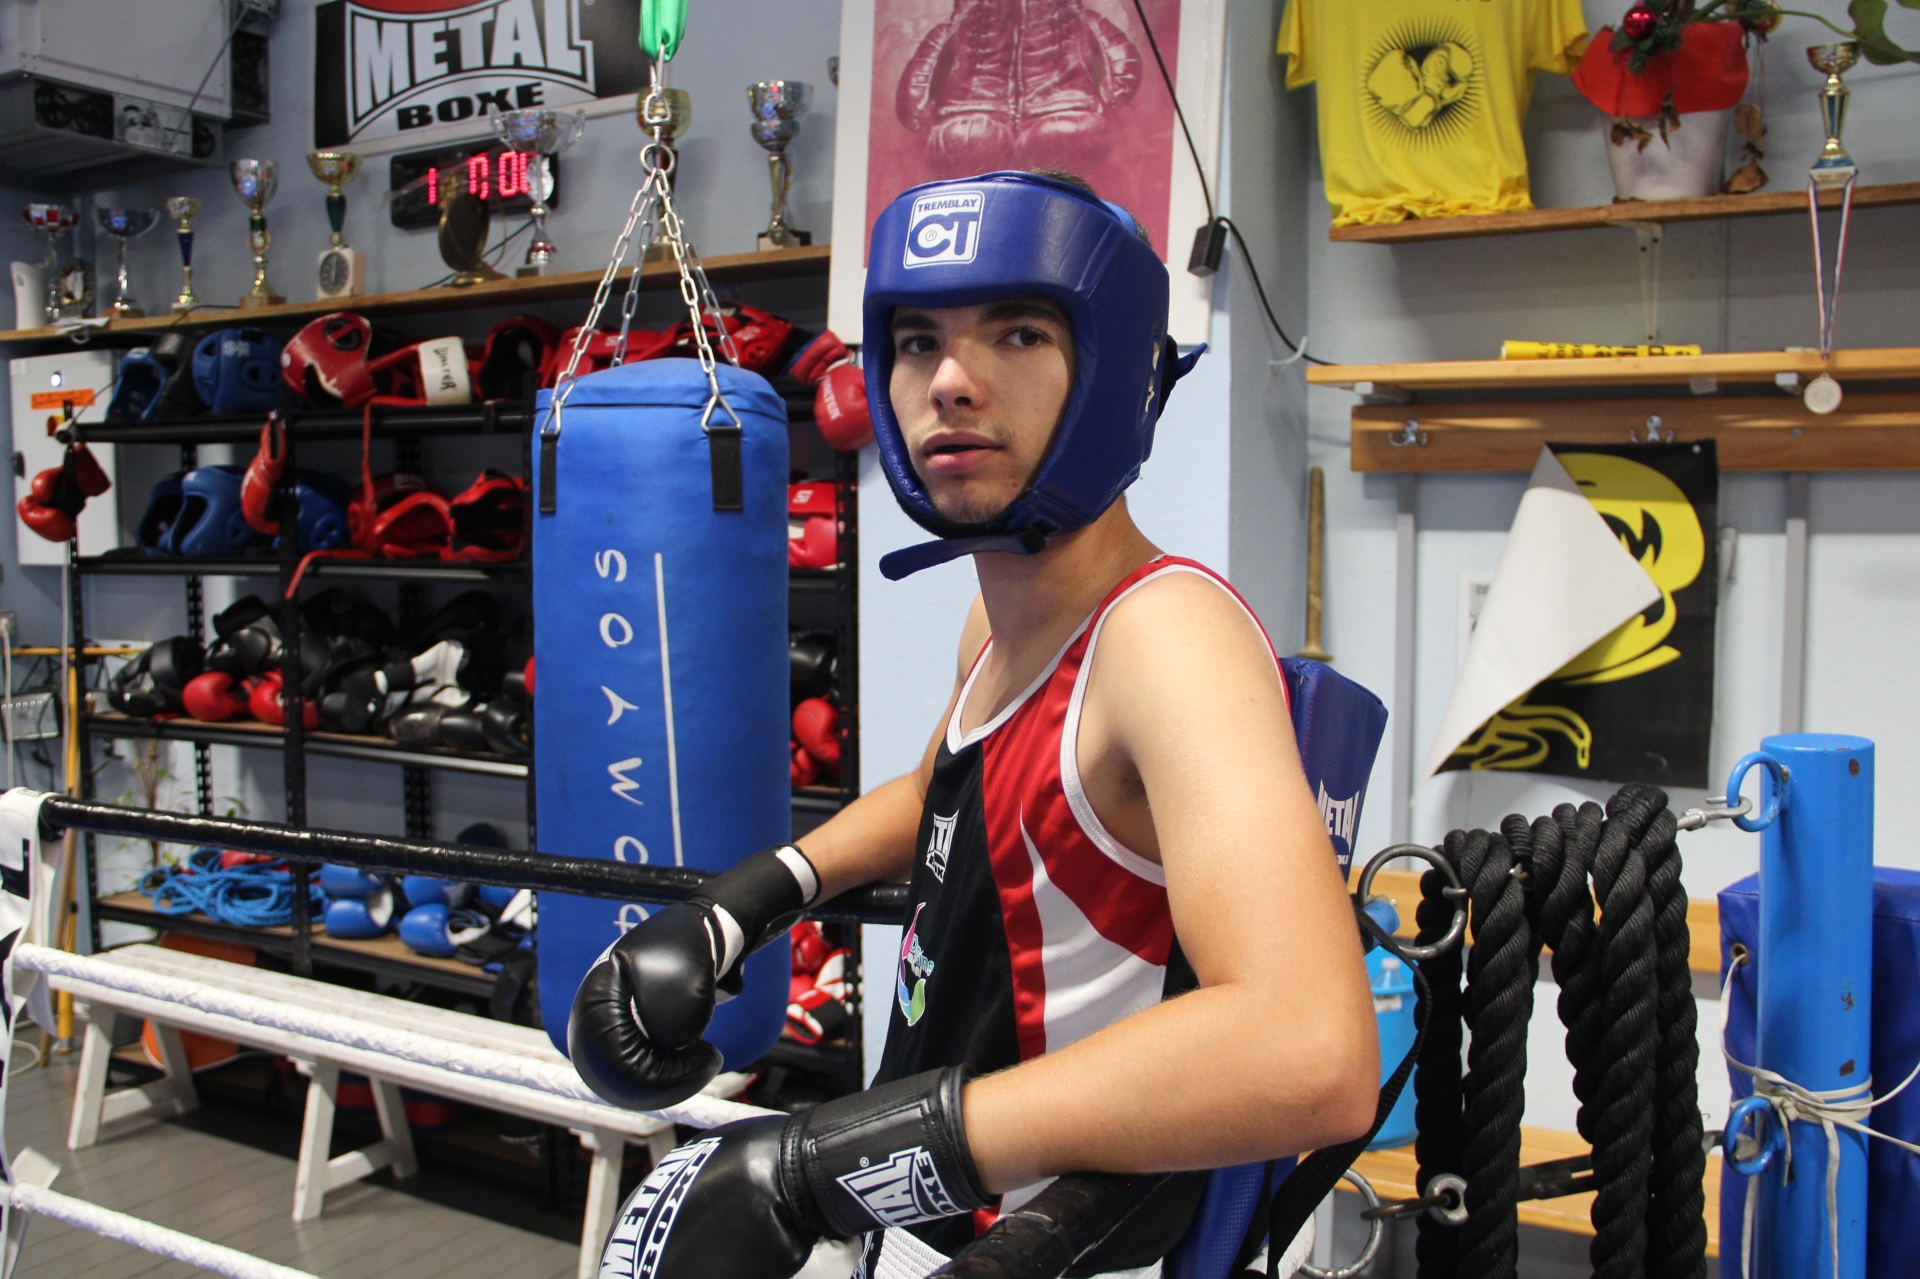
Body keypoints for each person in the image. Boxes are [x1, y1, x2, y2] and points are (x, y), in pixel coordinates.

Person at [573, 170, 1379, 1279]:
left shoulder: (1166, 639)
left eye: (1016, 333)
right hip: (947, 1202)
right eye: (916, 341)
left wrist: (817, 1166)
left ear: (1115, 375)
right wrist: (740, 907)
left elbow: (1312, 1048)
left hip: (1073, 1244)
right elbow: (950, 796)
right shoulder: (998, 625)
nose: (951, 380)